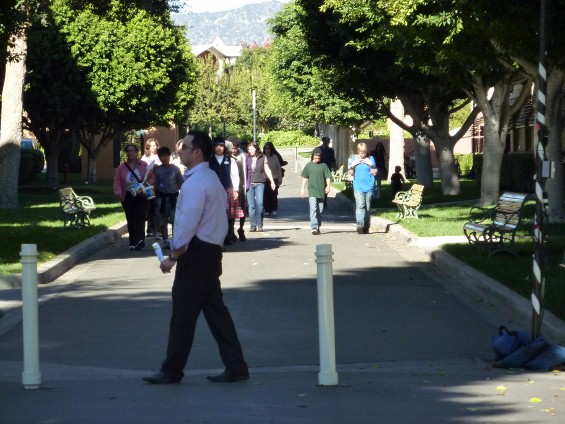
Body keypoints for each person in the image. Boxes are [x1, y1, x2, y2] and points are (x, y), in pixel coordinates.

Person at [143, 130, 249, 385]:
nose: (180, 151)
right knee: (215, 312)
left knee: (183, 313)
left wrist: (174, 255)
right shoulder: (210, 178)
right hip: (209, 253)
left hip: (197, 254)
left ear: (198, 152)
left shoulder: (195, 183)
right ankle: (236, 366)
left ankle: (172, 370)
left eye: (185, 147)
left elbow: (188, 222)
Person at [113, 144, 149, 250]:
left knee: (140, 217)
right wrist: (118, 193)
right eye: (128, 151)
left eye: (133, 151)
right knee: (131, 218)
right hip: (128, 194)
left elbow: (150, 177)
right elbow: (117, 181)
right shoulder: (121, 167)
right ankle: (132, 242)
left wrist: (146, 186)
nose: (130, 153)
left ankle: (140, 240)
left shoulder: (143, 165)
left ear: (136, 152)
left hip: (141, 194)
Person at [209, 137, 241, 246]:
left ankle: (229, 235)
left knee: (229, 215)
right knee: (215, 215)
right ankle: (217, 237)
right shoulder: (209, 161)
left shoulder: (230, 160)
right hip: (213, 190)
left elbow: (235, 175)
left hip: (227, 189)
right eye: (217, 145)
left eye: (221, 146)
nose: (219, 148)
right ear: (213, 147)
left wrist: (236, 190)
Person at [153, 147, 184, 249]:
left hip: (174, 197)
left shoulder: (175, 169)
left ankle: (176, 240)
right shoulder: (157, 170)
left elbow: (180, 183)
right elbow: (154, 184)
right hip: (161, 198)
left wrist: (183, 195)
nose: (165, 158)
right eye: (162, 156)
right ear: (159, 158)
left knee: (175, 220)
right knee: (162, 221)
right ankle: (166, 240)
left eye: (166, 156)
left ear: (169, 156)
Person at [245, 141, 276, 232]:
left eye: (251, 149)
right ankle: (252, 225)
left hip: (260, 182)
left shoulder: (263, 157)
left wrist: (272, 181)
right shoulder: (247, 157)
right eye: (248, 149)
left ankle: (260, 224)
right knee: (251, 205)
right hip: (249, 183)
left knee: (260, 203)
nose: (250, 151)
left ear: (256, 149)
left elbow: (267, 169)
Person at [348, 142, 377, 234]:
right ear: (358, 151)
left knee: (367, 207)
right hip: (358, 186)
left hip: (369, 186)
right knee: (360, 205)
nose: (363, 155)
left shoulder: (371, 158)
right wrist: (353, 166)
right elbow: (350, 173)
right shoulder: (354, 158)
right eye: (361, 153)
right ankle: (360, 224)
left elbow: (375, 172)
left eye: (364, 153)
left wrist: (370, 165)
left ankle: (366, 225)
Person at [300, 147, 331, 235]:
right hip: (312, 190)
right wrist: (302, 189)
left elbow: (327, 177)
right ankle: (314, 227)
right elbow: (305, 178)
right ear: (312, 157)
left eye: (318, 158)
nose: (317, 160)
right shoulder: (309, 165)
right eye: (315, 158)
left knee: (320, 210)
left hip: (321, 191)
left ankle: (318, 225)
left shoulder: (324, 166)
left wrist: (328, 186)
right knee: (313, 209)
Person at [228, 136, 249, 241]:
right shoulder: (226, 158)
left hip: (240, 187)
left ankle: (241, 229)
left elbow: (243, 174)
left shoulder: (242, 158)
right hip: (229, 188)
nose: (233, 150)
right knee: (230, 212)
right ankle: (231, 232)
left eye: (235, 148)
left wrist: (244, 186)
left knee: (242, 210)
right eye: (232, 148)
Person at [141, 138, 161, 238]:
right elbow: (142, 172)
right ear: (147, 147)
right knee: (150, 207)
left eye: (155, 145)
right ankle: (150, 229)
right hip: (148, 186)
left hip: (159, 185)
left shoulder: (160, 157)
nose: (153, 147)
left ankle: (159, 230)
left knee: (158, 207)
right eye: (151, 145)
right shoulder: (144, 158)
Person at [262, 141, 283, 216]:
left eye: (269, 148)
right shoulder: (262, 157)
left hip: (274, 178)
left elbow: (278, 168)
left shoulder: (275, 157)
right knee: (265, 194)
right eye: (266, 148)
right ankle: (267, 209)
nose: (267, 150)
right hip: (264, 179)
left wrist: (280, 178)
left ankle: (273, 208)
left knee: (273, 194)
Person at [319, 136, 336, 207]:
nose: (327, 143)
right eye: (326, 141)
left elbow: (333, 159)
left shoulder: (330, 150)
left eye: (328, 142)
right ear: (323, 141)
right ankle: (320, 199)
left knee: (326, 185)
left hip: (327, 169)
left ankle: (324, 200)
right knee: (320, 185)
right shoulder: (318, 149)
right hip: (319, 169)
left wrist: (334, 166)